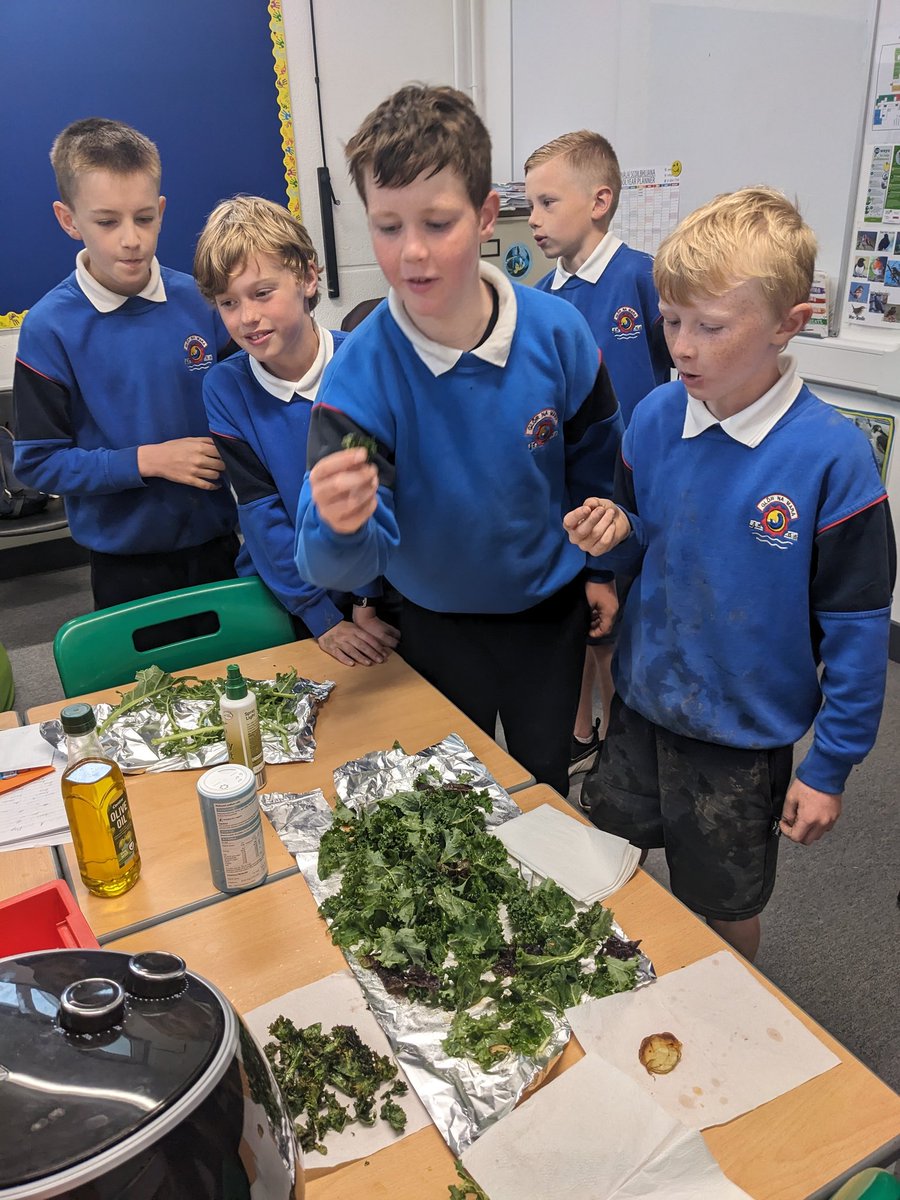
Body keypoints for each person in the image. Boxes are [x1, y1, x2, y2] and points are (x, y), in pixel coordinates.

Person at [567, 186, 895, 961]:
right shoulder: (652, 418)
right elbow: (642, 538)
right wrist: (613, 540)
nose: (681, 346)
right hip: (645, 703)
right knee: (608, 855)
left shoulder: (832, 458)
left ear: (788, 324)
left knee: (723, 901)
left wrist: (831, 767)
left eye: (709, 327)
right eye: (671, 320)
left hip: (741, 738)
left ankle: (731, 1006)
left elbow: (856, 626)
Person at [294, 84, 624, 796]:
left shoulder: (560, 334)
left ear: (482, 218)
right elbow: (333, 563)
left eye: (437, 223)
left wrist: (601, 565)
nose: (411, 253)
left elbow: (596, 467)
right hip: (434, 625)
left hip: (547, 615)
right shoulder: (361, 371)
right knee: (446, 801)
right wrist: (339, 522)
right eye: (387, 227)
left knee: (543, 784)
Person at [13, 118, 238, 612]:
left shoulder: (200, 301)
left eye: (143, 218)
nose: (131, 239)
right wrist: (148, 460)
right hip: (125, 564)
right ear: (69, 220)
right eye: (107, 221)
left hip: (221, 543)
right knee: (153, 688)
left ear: (161, 211)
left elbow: (246, 406)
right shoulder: (50, 327)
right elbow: (38, 462)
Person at [193, 195, 398, 667]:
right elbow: (261, 513)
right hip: (291, 593)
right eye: (228, 302)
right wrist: (321, 616)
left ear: (308, 277)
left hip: (378, 583)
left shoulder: (363, 362)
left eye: (262, 293)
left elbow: (375, 495)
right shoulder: (225, 388)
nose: (246, 317)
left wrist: (365, 603)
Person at [524, 130, 672, 780]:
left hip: (634, 489)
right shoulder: (541, 298)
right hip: (572, 488)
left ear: (599, 200)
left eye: (547, 202)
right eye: (529, 204)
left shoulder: (642, 275)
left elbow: (679, 367)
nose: (532, 219)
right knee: (580, 610)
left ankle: (622, 742)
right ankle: (581, 726)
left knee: (623, 615)